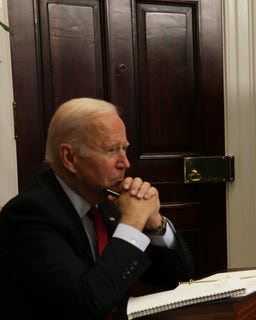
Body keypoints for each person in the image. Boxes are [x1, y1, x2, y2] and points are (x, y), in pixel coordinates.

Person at [0, 98, 195, 319]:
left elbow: (179, 278)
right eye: (111, 150)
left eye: (125, 149)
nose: (125, 163)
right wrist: (132, 221)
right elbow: (87, 305)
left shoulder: (106, 201)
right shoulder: (28, 215)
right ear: (70, 157)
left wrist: (154, 224)